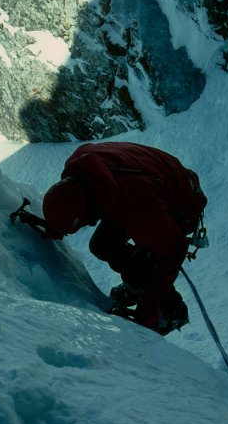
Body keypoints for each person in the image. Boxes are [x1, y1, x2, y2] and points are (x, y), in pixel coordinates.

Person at [40, 141, 207, 334]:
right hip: (148, 182)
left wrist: (149, 306)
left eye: (87, 221)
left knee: (150, 259)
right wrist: (57, 225)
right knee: (102, 245)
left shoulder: (138, 208)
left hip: (179, 206)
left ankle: (172, 311)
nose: (89, 224)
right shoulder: (80, 165)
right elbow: (72, 201)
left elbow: (174, 249)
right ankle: (137, 285)